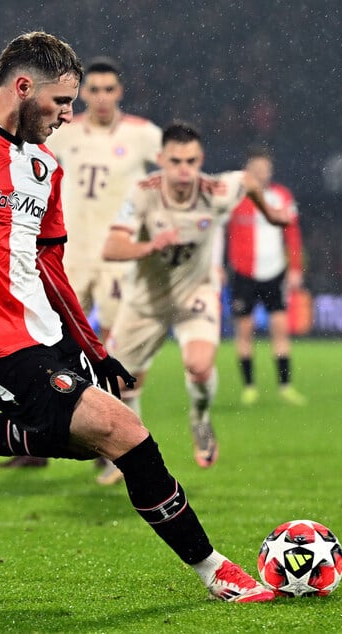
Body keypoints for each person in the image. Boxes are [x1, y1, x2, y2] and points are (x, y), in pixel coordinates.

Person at [0, 15, 275, 603]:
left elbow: (49, 267)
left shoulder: (44, 167)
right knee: (124, 430)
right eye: (61, 101)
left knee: (85, 441)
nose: (67, 115)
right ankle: (215, 571)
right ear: (23, 88)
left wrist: (92, 349)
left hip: (44, 334)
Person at [0, 56, 162, 474]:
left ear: (119, 92)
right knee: (43, 348)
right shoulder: (64, 132)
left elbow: (172, 184)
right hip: (67, 255)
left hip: (116, 261)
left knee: (112, 348)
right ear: (83, 93)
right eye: (95, 90)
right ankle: (36, 440)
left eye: (110, 89)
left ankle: (113, 445)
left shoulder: (145, 136)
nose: (102, 97)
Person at [102, 123, 291, 478]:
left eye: (191, 160)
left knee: (200, 365)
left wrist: (269, 213)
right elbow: (112, 247)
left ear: (201, 159)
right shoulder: (142, 194)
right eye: (175, 161)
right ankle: (129, 452)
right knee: (123, 383)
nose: (184, 169)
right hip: (147, 301)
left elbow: (249, 181)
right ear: (160, 160)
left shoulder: (216, 190)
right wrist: (150, 246)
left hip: (196, 293)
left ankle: (200, 419)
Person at [226, 147, 307, 406]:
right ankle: (249, 387)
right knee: (245, 332)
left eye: (265, 169)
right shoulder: (236, 198)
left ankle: (285, 387)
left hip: (274, 272)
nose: (261, 174)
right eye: (256, 169)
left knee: (280, 330)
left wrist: (295, 268)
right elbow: (220, 230)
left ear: (270, 171)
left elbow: (292, 235)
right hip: (244, 272)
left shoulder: (282, 196)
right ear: (247, 172)